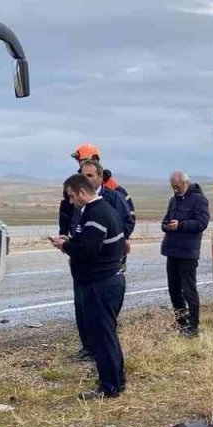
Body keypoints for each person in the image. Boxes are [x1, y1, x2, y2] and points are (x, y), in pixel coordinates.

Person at [51, 171, 126, 399]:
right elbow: (90, 243)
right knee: (106, 334)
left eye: (72, 197)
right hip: (104, 280)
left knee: (102, 336)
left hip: (100, 283)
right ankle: (116, 380)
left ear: (83, 192)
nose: (71, 202)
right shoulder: (99, 211)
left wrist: (66, 247)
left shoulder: (96, 214)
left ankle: (109, 387)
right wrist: (71, 242)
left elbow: (89, 250)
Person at [161, 171, 209, 337]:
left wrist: (181, 225)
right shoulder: (173, 200)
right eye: (173, 187)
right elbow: (165, 220)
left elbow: (202, 223)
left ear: (185, 183)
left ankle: (193, 326)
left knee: (189, 291)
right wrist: (166, 225)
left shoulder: (199, 199)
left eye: (178, 186)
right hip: (172, 251)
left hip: (188, 253)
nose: (175, 190)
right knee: (174, 290)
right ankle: (181, 323)